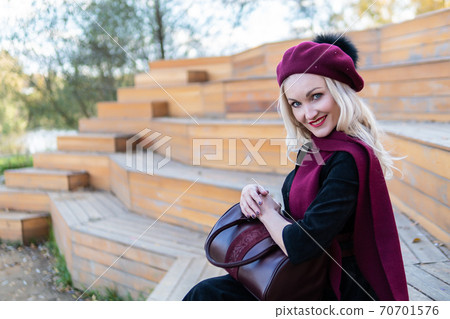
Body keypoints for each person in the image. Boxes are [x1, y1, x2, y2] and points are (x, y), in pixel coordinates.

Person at [183, 33, 409, 301]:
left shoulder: (348, 159)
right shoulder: (315, 149)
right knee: (204, 294)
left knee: (208, 298)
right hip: (301, 272)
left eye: (316, 96)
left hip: (332, 286)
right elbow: (302, 215)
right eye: (296, 104)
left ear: (339, 92)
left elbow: (302, 244)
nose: (308, 114)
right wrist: (260, 200)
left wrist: (267, 214)